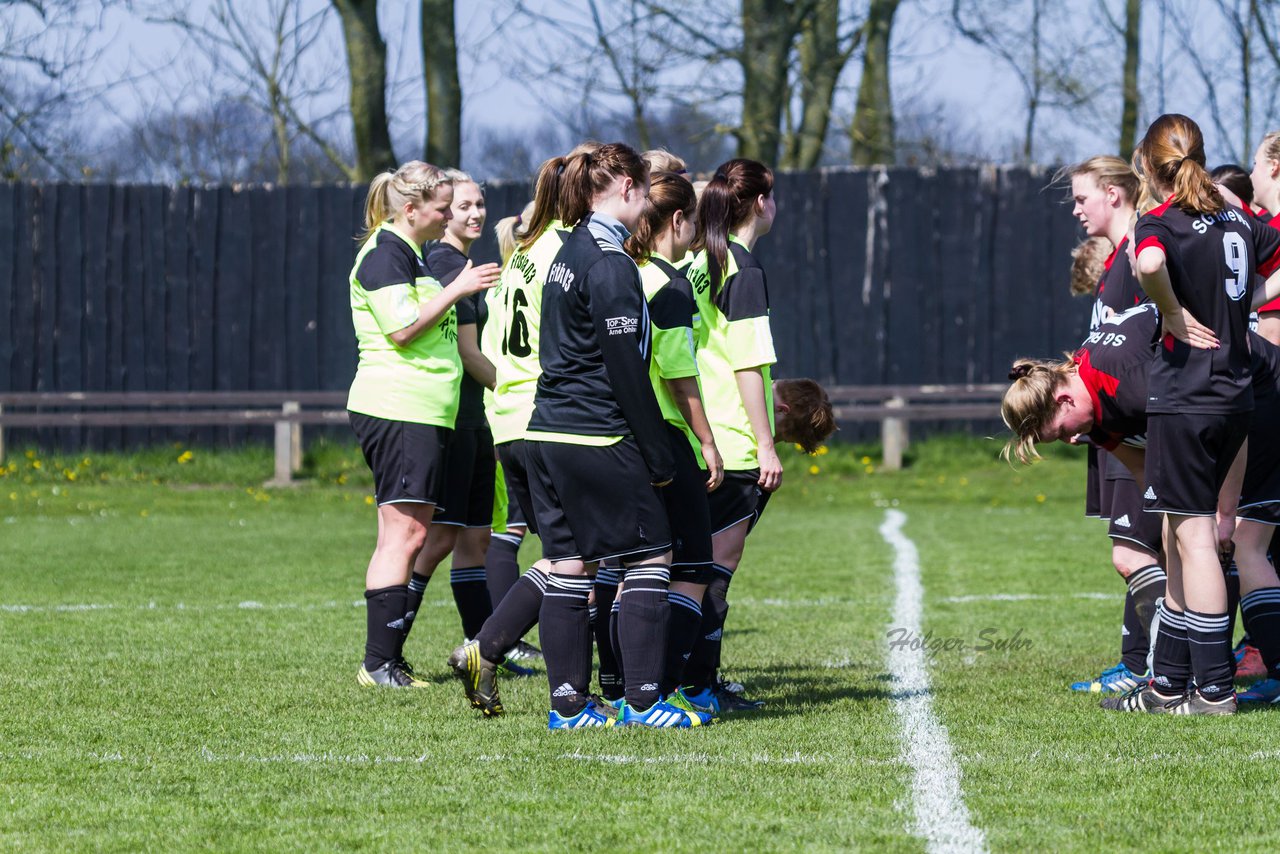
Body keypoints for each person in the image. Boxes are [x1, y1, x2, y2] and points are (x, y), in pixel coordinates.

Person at [520, 141, 713, 729]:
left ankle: (570, 707)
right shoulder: (609, 262)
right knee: (652, 554)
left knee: (568, 563)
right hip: (597, 433)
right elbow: (625, 367)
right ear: (628, 188)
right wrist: (657, 451)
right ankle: (645, 701)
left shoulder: (567, 249)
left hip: (546, 429)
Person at [1107, 114, 1280, 714]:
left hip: (1187, 396)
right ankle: (1167, 684)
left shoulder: (1160, 220)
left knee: (1194, 539)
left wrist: (1175, 314)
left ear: (1152, 170)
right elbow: (1273, 255)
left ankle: (1210, 690)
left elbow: (1150, 265)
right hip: (1237, 396)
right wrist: (1240, 307)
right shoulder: (1238, 217)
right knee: (1184, 536)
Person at [447, 146, 589, 718]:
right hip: (549, 417)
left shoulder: (520, 255)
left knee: (564, 554)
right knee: (576, 556)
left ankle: (489, 648)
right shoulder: (567, 252)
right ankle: (558, 684)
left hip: (509, 414)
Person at [346, 161, 499, 687]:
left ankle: (385, 660)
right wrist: (458, 289)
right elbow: (403, 329)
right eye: (441, 208)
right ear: (411, 209)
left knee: (411, 532)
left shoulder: (407, 253)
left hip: (421, 411)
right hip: (398, 407)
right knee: (405, 534)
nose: (447, 217)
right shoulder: (386, 254)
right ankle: (378, 663)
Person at [681, 158, 780, 713]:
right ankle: (698, 683)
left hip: (701, 429)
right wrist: (765, 444)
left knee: (694, 564)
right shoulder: (741, 269)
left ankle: (689, 679)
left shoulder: (699, 260)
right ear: (760, 201)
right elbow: (746, 364)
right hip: (734, 438)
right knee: (716, 568)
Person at [1063, 156, 1166, 695]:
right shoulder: (1119, 260)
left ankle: (1159, 665)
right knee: (1155, 550)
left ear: (1114, 194)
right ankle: (1158, 663)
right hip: (1114, 428)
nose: (1077, 210)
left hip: (1137, 428)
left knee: (1135, 553)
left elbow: (1155, 348)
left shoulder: (1140, 258)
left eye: (1082, 198)